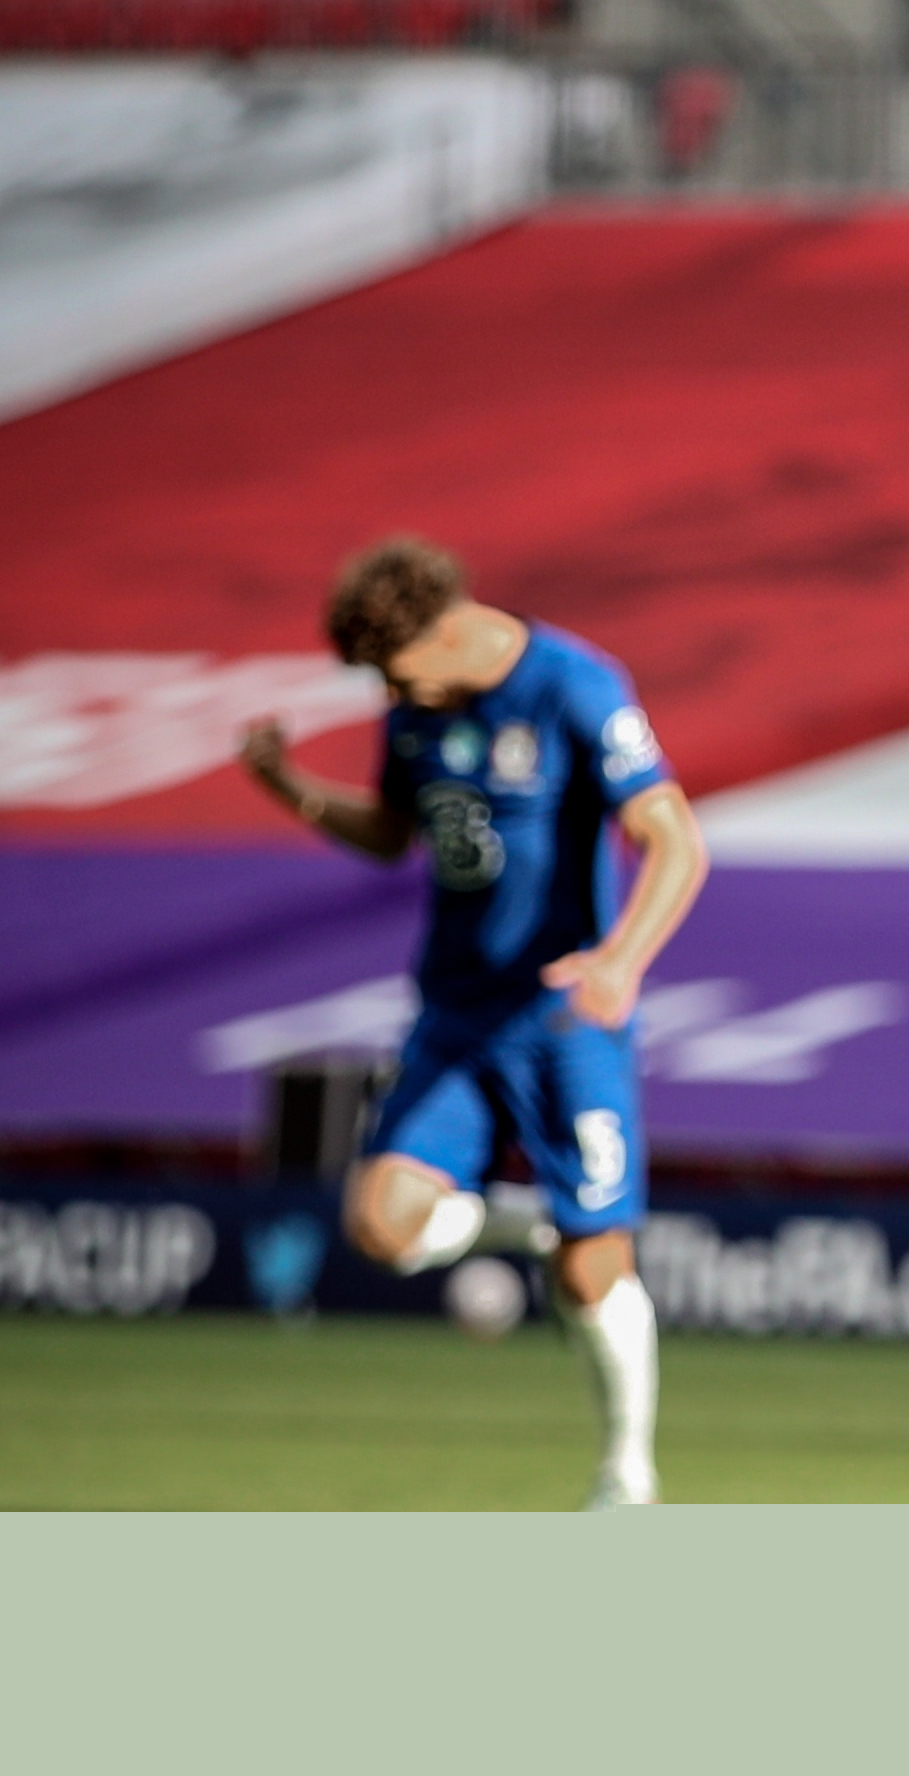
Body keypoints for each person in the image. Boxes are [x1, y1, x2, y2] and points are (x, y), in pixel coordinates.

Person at [239, 538, 708, 1507]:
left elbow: (674, 837)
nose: (388, 689)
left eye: (393, 667)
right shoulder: (417, 708)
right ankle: (538, 1226)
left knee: (593, 1274)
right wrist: (290, 786)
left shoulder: (574, 685)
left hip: (565, 1019)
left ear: (446, 628)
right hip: (454, 1015)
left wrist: (620, 959)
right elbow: (391, 833)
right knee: (382, 1225)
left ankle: (627, 1475)